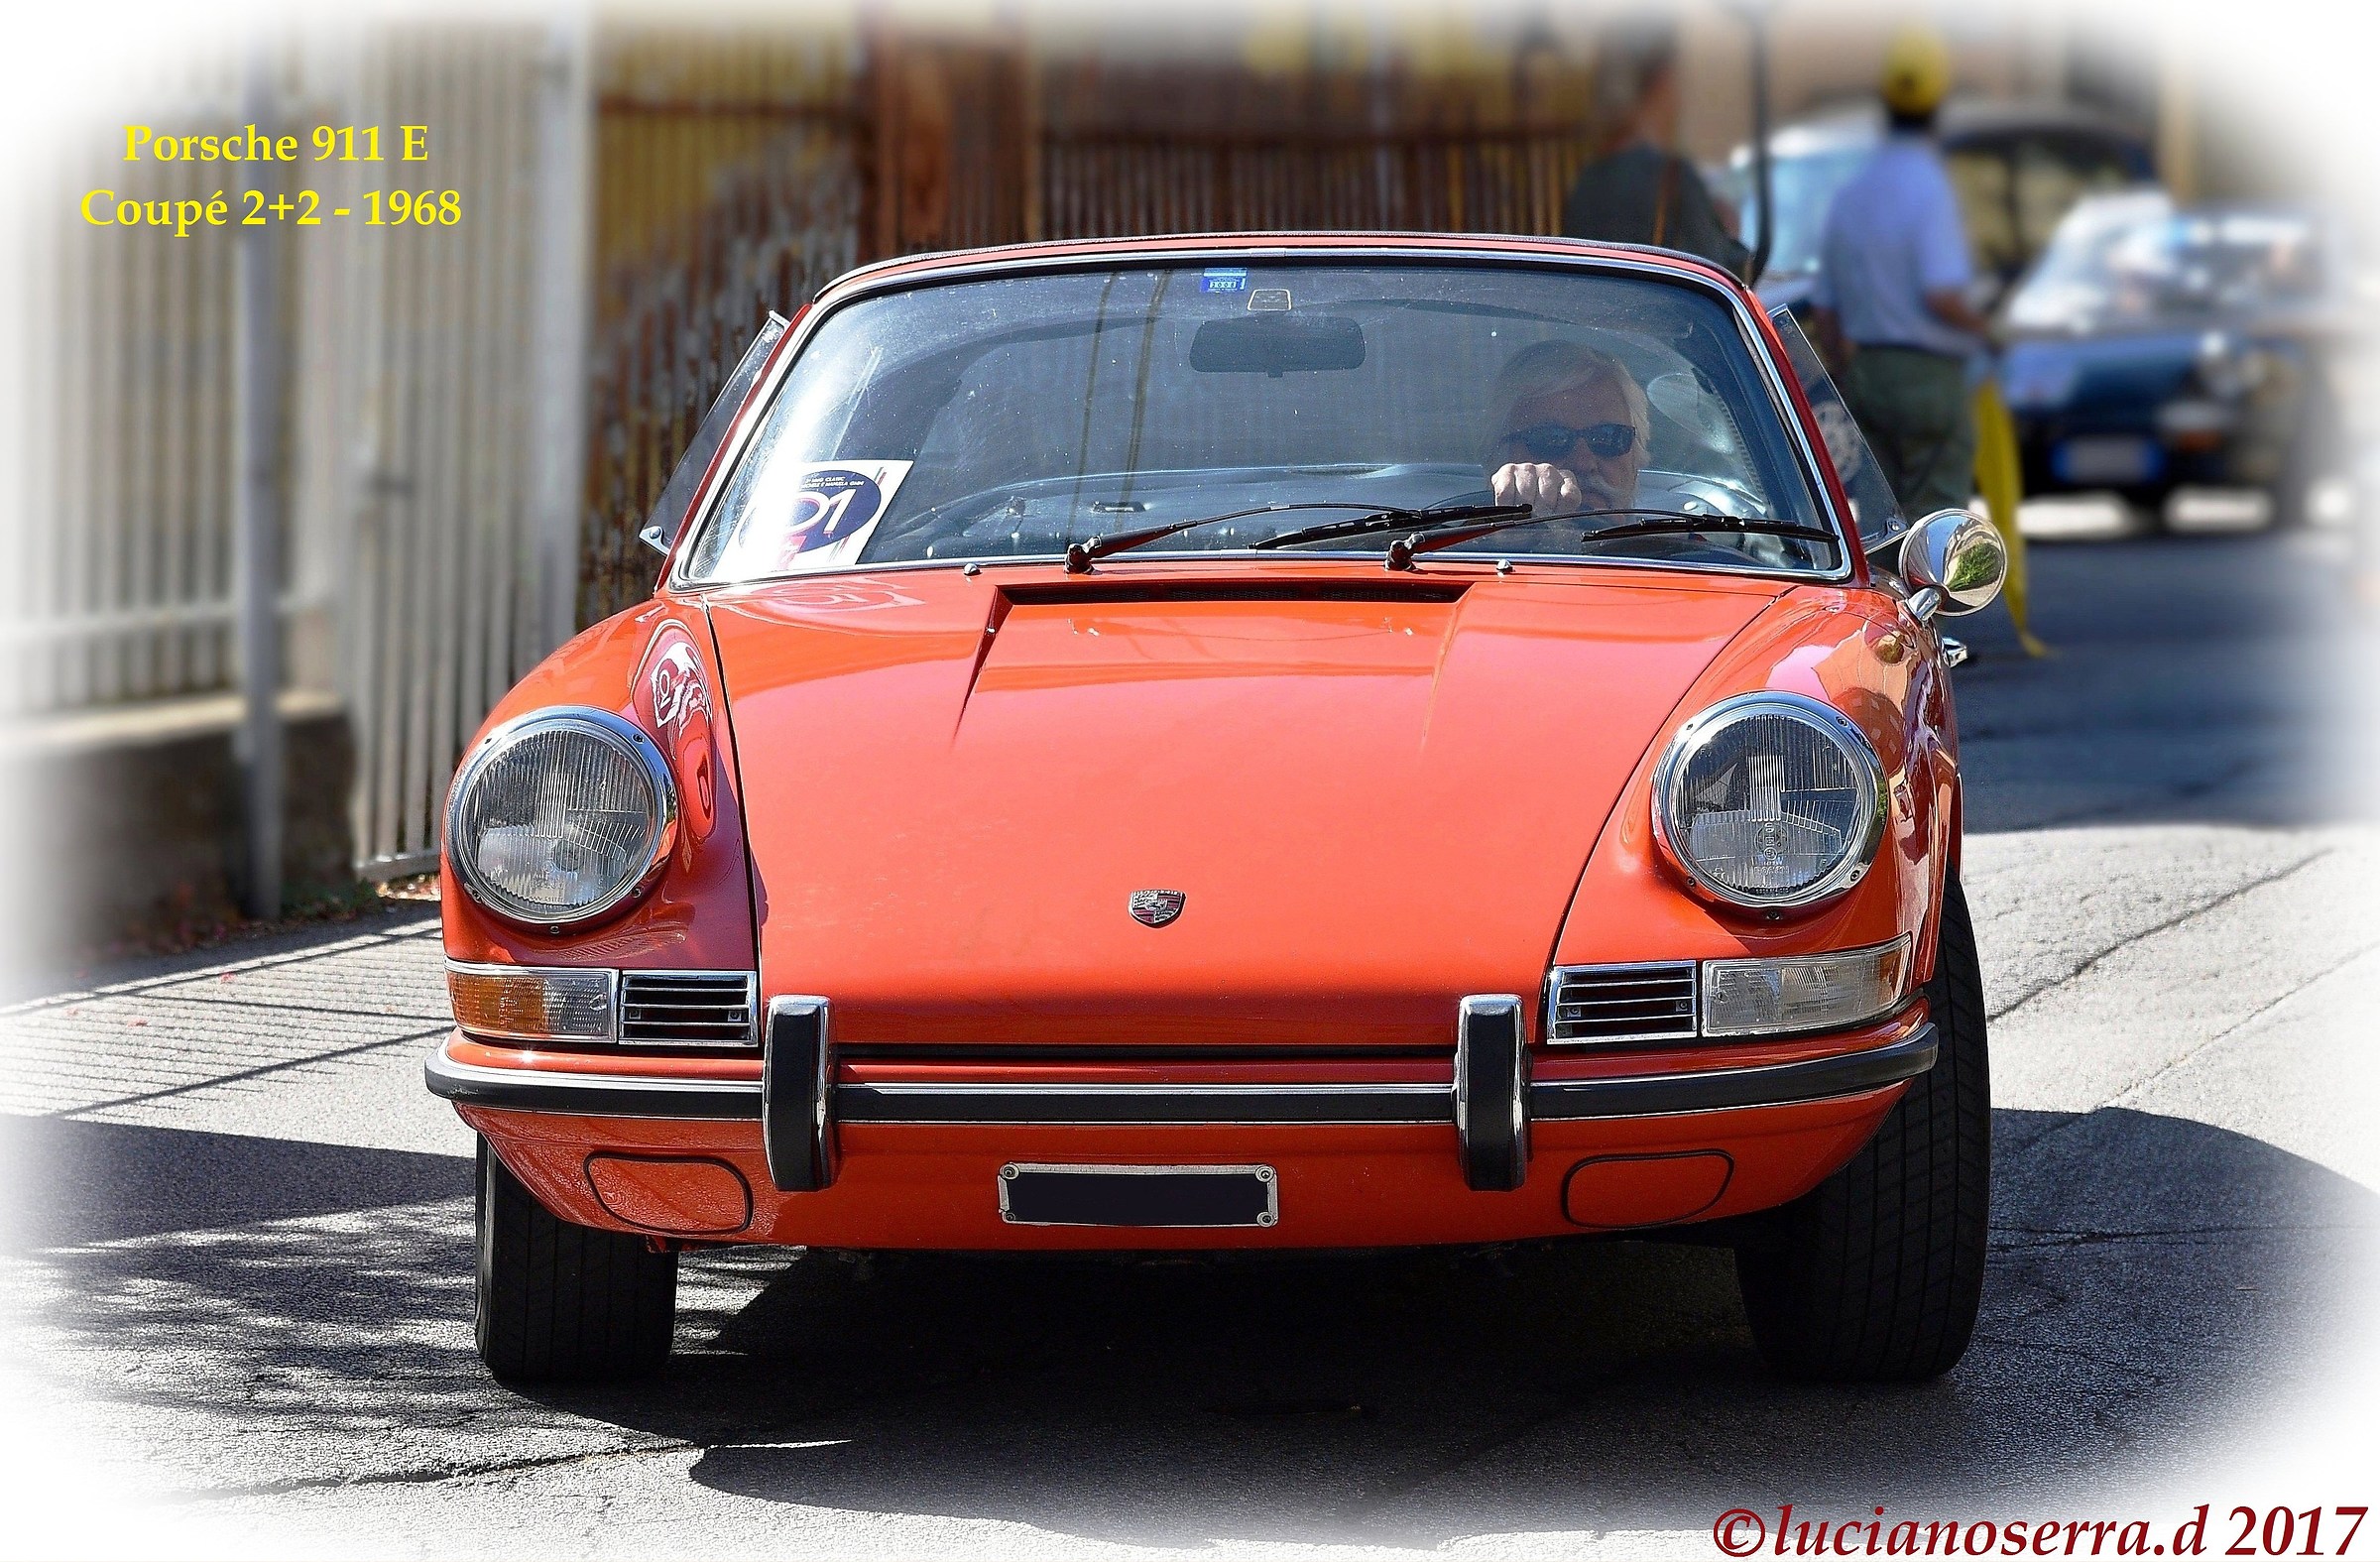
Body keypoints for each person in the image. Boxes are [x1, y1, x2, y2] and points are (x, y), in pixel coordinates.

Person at [1810, 25, 1993, 518]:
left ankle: (1886, 596)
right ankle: (1932, 598)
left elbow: (1826, 310)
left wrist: (1848, 367)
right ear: (1938, 107)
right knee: (1935, 521)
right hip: (1930, 375)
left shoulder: (1852, 194)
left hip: (1868, 371)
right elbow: (1942, 295)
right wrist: (1990, 332)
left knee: (1883, 519)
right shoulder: (1931, 187)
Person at [1561, 22, 1752, 279]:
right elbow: (1724, 275)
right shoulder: (1670, 178)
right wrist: (1726, 230)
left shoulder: (1588, 184)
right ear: (1662, 81)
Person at [1485, 340, 1651, 531]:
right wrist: (1506, 532)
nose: (1583, 463)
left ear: (1636, 461)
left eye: (1608, 438)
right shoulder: (1458, 547)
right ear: (1498, 461)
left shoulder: (1677, 552)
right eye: (1551, 439)